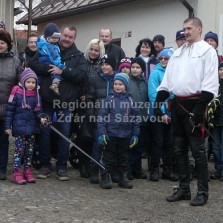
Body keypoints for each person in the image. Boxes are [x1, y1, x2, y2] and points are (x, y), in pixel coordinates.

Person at [154, 17, 219, 206]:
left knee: (198, 151)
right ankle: (183, 189)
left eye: (189, 28)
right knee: (179, 149)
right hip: (178, 106)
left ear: (199, 29)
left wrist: (200, 110)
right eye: (184, 28)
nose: (186, 32)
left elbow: (210, 82)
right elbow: (168, 80)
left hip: (196, 106)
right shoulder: (177, 53)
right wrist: (159, 102)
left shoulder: (208, 51)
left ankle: (202, 192)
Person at [29, 24, 88, 181]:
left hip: (66, 103)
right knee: (45, 133)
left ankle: (62, 167)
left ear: (74, 38)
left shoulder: (78, 56)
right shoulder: (47, 47)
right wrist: (51, 68)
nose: (67, 39)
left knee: (64, 135)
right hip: (47, 100)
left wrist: (63, 71)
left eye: (70, 37)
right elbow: (33, 64)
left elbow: (82, 76)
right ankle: (45, 165)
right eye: (65, 36)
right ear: (60, 35)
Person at [97, 72, 140, 189]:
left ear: (126, 85)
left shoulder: (131, 100)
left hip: (125, 135)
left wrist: (135, 134)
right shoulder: (108, 99)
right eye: (115, 84)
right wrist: (102, 133)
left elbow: (136, 118)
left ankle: (123, 177)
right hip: (111, 134)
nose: (117, 86)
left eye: (120, 84)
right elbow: (101, 117)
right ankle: (105, 177)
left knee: (124, 158)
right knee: (108, 157)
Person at [4, 68, 46, 184]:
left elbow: (38, 111)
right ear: (23, 81)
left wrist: (42, 117)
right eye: (28, 82)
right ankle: (16, 173)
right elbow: (9, 111)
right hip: (19, 129)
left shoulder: (36, 95)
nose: (31, 85)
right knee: (19, 151)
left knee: (29, 151)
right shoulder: (16, 92)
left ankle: (28, 171)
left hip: (32, 129)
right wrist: (7, 126)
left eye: (33, 82)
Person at [75, 38, 105, 178]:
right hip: (82, 104)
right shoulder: (82, 62)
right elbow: (77, 80)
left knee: (94, 136)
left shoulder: (102, 66)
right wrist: (81, 95)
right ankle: (83, 164)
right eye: (91, 49)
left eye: (96, 50)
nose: (93, 52)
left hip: (96, 105)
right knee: (83, 136)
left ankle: (93, 163)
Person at [86, 53, 117, 184]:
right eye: (102, 64)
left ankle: (109, 171)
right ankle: (94, 169)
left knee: (112, 147)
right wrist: (92, 115)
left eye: (107, 64)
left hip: (114, 119)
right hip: (99, 119)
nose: (104, 67)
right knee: (98, 145)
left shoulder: (118, 80)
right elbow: (89, 99)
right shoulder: (95, 80)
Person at [148, 48, 177, 182]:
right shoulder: (155, 74)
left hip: (173, 113)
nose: (164, 61)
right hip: (158, 113)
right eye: (161, 58)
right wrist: (163, 112)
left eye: (166, 58)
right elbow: (154, 95)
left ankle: (168, 170)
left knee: (170, 143)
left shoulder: (176, 73)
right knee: (157, 142)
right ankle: (154, 170)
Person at [0, 30, 22, 180]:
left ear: (8, 45)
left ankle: (1, 169)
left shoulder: (15, 61)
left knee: (3, 140)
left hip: (6, 108)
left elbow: (21, 82)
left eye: (2, 43)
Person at [37, 23, 65, 95]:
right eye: (53, 38)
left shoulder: (44, 44)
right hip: (48, 62)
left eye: (56, 38)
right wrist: (60, 65)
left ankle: (37, 86)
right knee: (56, 73)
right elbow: (54, 57)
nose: (55, 40)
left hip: (43, 62)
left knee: (40, 77)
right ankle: (55, 85)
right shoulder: (50, 46)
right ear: (47, 38)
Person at [207, 62, 223, 180]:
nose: (222, 71)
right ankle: (218, 169)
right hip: (215, 121)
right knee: (216, 146)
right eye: (221, 69)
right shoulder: (214, 85)